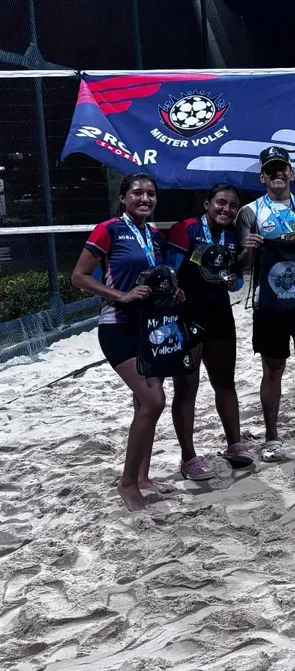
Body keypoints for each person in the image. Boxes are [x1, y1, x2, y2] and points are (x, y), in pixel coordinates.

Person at [72, 173, 175, 510]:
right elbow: (79, 277)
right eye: (137, 193)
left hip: (151, 327)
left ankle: (143, 477)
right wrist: (121, 295)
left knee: (143, 404)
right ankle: (127, 484)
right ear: (123, 198)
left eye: (151, 194)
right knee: (154, 401)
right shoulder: (109, 230)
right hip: (117, 325)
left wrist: (172, 292)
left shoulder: (155, 236)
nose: (145, 199)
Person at [236, 146, 295, 462]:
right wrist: (248, 250)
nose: (277, 174)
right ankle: (271, 437)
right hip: (269, 305)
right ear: (262, 176)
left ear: (291, 173)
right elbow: (241, 264)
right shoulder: (249, 213)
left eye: (282, 168)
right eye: (271, 169)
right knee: (272, 369)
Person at [165, 183, 252, 480]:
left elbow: (236, 278)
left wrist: (234, 282)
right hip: (186, 318)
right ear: (207, 203)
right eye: (221, 202)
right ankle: (188, 457)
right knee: (186, 388)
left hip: (220, 317)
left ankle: (235, 444)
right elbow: (169, 272)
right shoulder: (186, 229)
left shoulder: (231, 236)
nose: (226, 209)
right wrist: (173, 292)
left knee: (225, 383)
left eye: (232, 205)